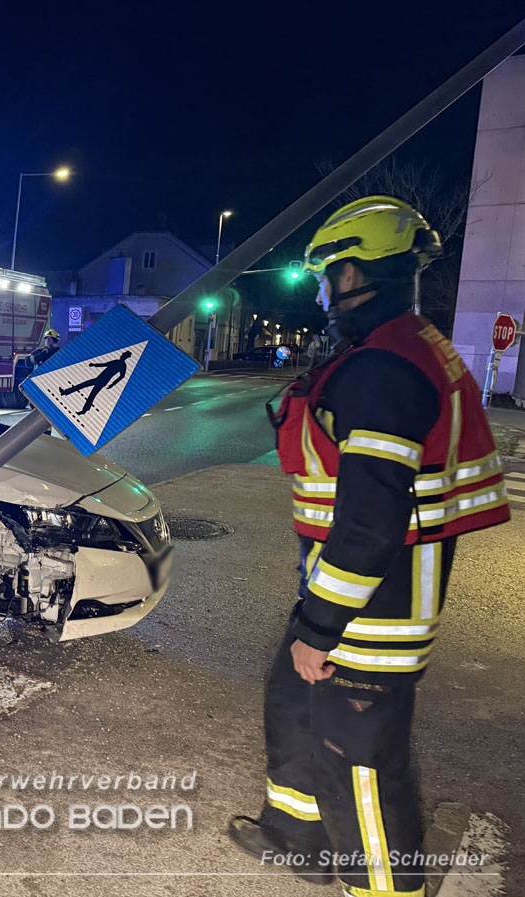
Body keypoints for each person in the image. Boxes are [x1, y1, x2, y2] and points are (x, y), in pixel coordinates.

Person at [230, 197, 510, 891]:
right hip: (354, 592)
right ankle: (297, 834)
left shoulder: (384, 370)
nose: (324, 293)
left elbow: (369, 521)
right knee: (291, 700)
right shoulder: (406, 348)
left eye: (329, 277)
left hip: (372, 610)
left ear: (356, 274)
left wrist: (321, 626)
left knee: (359, 766)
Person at [58, 350, 132, 416]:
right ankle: (65, 392)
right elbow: (104, 364)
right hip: (99, 379)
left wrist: (113, 384)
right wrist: (94, 365)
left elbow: (122, 376)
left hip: (102, 381)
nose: (121, 355)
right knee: (83, 386)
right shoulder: (117, 362)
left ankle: (83, 410)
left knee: (91, 395)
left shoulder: (122, 365)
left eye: (123, 354)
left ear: (125, 356)